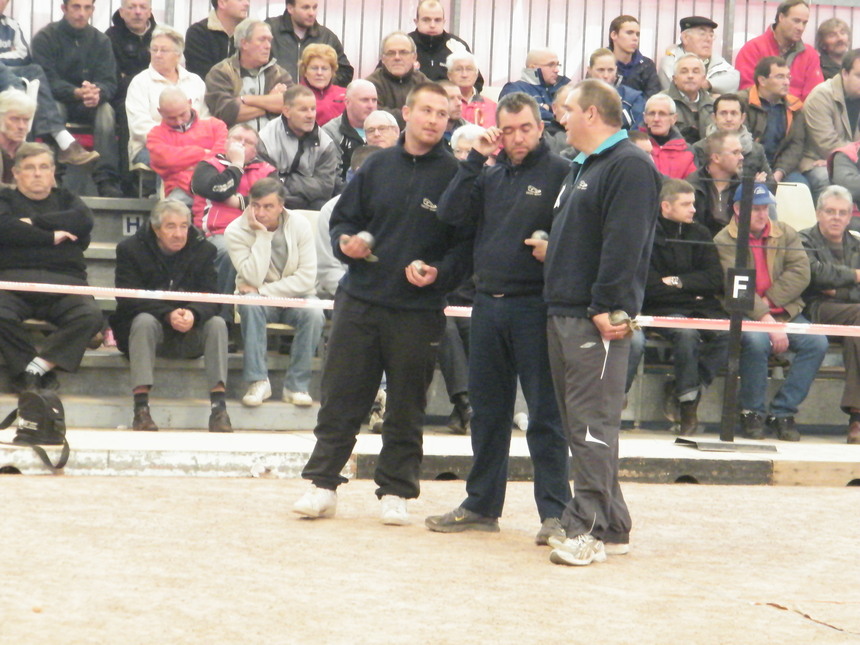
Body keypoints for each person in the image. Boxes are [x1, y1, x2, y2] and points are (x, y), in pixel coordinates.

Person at [292, 83, 471, 525]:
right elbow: (344, 220)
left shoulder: (455, 177)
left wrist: (438, 274)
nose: (433, 120)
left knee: (408, 404)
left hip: (418, 310)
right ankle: (322, 484)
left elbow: (465, 249)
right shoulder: (376, 168)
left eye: (442, 114)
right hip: (360, 301)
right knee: (341, 397)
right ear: (406, 113)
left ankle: (396, 491)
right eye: (425, 110)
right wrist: (344, 243)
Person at [425, 91, 572, 542]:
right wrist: (474, 161)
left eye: (525, 128)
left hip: (536, 306)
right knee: (488, 412)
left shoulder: (562, 172)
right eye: (507, 130)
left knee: (545, 415)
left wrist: (555, 248)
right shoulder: (491, 174)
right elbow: (450, 215)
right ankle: (481, 504)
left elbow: (579, 235)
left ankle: (555, 513)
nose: (517, 137)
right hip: (487, 305)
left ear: (540, 126)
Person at [543, 79, 661, 566]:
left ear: (591, 113)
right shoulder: (583, 166)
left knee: (592, 427)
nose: (561, 117)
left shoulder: (629, 166)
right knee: (581, 427)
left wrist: (606, 304)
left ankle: (587, 531)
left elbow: (624, 243)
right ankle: (611, 525)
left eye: (567, 109)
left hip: (596, 319)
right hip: (566, 312)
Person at [714, 183, 828, 441]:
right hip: (745, 313)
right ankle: (751, 412)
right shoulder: (724, 240)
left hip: (785, 310)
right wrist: (764, 316)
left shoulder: (785, 232)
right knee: (756, 342)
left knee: (817, 343)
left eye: (766, 208)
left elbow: (801, 272)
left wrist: (772, 302)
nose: (762, 214)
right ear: (737, 210)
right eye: (755, 209)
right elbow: (734, 285)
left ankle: (783, 412)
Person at [111, 199, 232, 433]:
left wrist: (194, 314)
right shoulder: (130, 249)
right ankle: (141, 409)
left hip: (189, 331)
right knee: (144, 321)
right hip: (146, 334)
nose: (179, 234)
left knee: (217, 324)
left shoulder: (204, 250)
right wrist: (168, 315)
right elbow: (127, 299)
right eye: (171, 227)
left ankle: (219, 409)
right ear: (156, 229)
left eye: (184, 226)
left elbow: (213, 297)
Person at [627, 178, 728, 435]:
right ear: (666, 207)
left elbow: (715, 279)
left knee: (730, 335)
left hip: (702, 308)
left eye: (693, 203)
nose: (693, 209)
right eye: (685, 204)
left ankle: (686, 390)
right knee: (686, 334)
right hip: (662, 310)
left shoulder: (701, 233)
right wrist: (691, 290)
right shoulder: (646, 235)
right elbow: (649, 287)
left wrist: (678, 281)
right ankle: (688, 406)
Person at [0, 143, 103, 393]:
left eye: (44, 167)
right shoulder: (5, 200)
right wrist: (51, 237)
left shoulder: (67, 199)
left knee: (90, 316)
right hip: (14, 284)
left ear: (53, 171)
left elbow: (83, 221)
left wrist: (32, 224)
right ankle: (32, 375)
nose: (37, 173)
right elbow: (4, 228)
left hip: (65, 284)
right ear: (16, 173)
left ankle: (34, 369)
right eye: (30, 168)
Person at [226, 177, 325, 408]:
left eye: (268, 206)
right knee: (250, 303)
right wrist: (262, 235)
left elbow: (307, 278)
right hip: (259, 303)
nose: (260, 213)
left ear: (281, 206)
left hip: (294, 298)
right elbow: (250, 277)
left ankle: (296, 386)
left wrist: (262, 291)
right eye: (255, 205)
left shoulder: (300, 225)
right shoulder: (235, 231)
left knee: (315, 311)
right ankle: (258, 381)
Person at [31, 0, 124, 197]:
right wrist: (75, 92)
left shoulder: (101, 41)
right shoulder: (45, 38)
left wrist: (97, 92)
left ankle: (106, 179)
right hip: (58, 100)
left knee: (106, 111)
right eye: (76, 7)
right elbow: (45, 79)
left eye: (87, 7)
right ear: (63, 8)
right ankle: (54, 174)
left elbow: (109, 81)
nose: (81, 13)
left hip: (90, 102)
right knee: (55, 109)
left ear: (93, 10)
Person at [0, 0, 99, 169]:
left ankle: (55, 141)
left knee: (35, 71)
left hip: (6, 75)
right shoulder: (47, 36)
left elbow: (23, 56)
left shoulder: (11, 25)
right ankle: (63, 141)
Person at [799, 185, 860, 444]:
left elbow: (828, 279)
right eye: (830, 211)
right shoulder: (803, 240)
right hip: (816, 308)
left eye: (842, 212)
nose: (836, 217)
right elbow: (813, 276)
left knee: (857, 331)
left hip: (851, 311)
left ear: (850, 216)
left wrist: (839, 290)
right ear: (818, 213)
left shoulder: (857, 244)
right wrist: (855, 277)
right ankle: (857, 418)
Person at [191, 123, 277, 299]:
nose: (241, 144)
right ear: (226, 143)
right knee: (231, 252)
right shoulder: (208, 166)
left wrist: (238, 202)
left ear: (256, 150)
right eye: (237, 139)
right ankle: (223, 315)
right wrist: (237, 165)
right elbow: (218, 189)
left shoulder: (267, 171)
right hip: (217, 235)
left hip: (258, 235)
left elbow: (275, 204)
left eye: (249, 142)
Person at [125, 26, 209, 166]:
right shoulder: (140, 82)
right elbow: (140, 127)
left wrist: (191, 142)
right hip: (150, 148)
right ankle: (169, 189)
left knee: (213, 160)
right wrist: (176, 141)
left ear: (178, 55)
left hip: (193, 145)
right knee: (173, 160)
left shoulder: (195, 81)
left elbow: (206, 119)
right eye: (154, 49)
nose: (157, 54)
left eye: (163, 50)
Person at [258, 85, 338, 209]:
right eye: (303, 110)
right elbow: (265, 186)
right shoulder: (265, 140)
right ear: (286, 111)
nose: (310, 115)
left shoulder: (325, 143)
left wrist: (286, 179)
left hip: (311, 205)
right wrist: (304, 183)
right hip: (274, 205)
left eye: (313, 109)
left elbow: (325, 187)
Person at [204, 19, 293, 131]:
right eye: (262, 40)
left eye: (269, 41)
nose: (268, 46)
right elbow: (226, 114)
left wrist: (246, 99)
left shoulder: (279, 74)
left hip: (272, 144)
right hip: (236, 143)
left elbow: (291, 107)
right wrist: (270, 101)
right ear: (244, 43)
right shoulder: (221, 72)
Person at [147, 87, 227, 206]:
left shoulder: (216, 126)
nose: (179, 121)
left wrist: (184, 166)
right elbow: (165, 160)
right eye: (171, 117)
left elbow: (223, 156)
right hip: (180, 192)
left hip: (217, 188)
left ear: (190, 103)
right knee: (168, 213)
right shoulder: (155, 135)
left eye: (182, 114)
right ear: (160, 112)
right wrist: (203, 153)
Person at [800, 49, 860, 202]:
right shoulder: (821, 96)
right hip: (816, 162)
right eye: (859, 76)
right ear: (844, 73)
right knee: (827, 178)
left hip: (850, 163)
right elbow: (827, 144)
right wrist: (839, 161)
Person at [734, 0, 823, 101]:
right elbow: (748, 90)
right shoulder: (753, 48)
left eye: (804, 23)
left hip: (799, 114)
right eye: (796, 21)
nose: (801, 28)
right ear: (781, 17)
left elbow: (815, 95)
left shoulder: (810, 54)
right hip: (760, 112)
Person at [737, 56, 805, 184]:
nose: (787, 82)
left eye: (788, 77)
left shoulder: (794, 106)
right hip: (747, 166)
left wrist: (778, 173)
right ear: (762, 80)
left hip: (781, 169)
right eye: (780, 77)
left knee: (800, 187)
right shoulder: (741, 102)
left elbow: (796, 146)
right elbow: (743, 143)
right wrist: (763, 174)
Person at [267, 0, 353, 88]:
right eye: (306, 7)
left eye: (314, 7)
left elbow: (345, 72)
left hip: (314, 100)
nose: (312, 13)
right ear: (290, 8)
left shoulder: (327, 37)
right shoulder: (269, 31)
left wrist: (321, 86)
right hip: (277, 98)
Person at [692, 93, 773, 183]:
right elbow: (696, 185)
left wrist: (758, 187)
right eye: (723, 113)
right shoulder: (700, 148)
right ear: (714, 117)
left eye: (734, 113)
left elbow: (772, 184)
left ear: (742, 118)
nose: (729, 118)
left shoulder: (756, 150)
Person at [659, 16, 739, 95]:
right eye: (702, 34)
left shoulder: (719, 62)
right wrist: (713, 97)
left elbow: (734, 80)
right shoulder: (670, 62)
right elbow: (678, 92)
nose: (708, 39)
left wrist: (708, 84)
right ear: (685, 38)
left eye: (711, 35)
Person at [365, 32, 430, 129]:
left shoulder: (424, 83)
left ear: (414, 57)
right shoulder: (370, 85)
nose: (397, 57)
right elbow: (373, 115)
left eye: (403, 52)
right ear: (383, 58)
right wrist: (415, 115)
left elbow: (433, 112)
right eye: (391, 53)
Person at [408, 0, 479, 89]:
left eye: (437, 20)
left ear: (444, 22)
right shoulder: (404, 45)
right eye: (426, 20)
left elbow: (476, 81)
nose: (432, 25)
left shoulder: (457, 46)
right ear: (416, 22)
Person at [687, 131, 743, 237]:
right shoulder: (692, 186)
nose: (741, 157)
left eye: (741, 152)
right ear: (716, 158)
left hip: (735, 247)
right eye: (735, 152)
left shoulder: (746, 187)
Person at [322, 79, 377, 182]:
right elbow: (333, 179)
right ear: (347, 102)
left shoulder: (387, 127)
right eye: (364, 100)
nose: (371, 106)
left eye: (374, 100)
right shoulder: (330, 132)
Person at [499, 48, 570, 125]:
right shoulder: (513, 89)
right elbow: (522, 116)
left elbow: (573, 113)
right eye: (551, 65)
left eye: (557, 65)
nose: (557, 70)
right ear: (533, 68)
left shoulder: (562, 89)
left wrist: (547, 107)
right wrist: (554, 111)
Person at [105, 0, 155, 109]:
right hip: (124, 98)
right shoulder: (109, 38)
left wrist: (127, 76)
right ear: (121, 12)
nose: (137, 12)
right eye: (131, 7)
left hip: (158, 95)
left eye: (142, 7)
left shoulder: (161, 36)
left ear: (149, 12)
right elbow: (114, 81)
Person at [185, 0, 249, 80]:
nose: (247, 3)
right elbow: (202, 73)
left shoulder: (249, 34)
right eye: (240, 0)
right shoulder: (198, 33)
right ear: (222, 3)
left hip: (246, 90)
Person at [586, 48, 644, 130]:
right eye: (600, 70)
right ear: (589, 70)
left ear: (616, 70)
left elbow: (638, 132)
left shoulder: (632, 99)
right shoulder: (578, 98)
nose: (606, 75)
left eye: (610, 70)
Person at [643, 92, 696, 178]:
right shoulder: (634, 146)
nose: (656, 119)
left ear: (674, 118)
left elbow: (692, 185)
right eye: (652, 113)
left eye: (662, 114)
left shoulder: (687, 151)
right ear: (645, 118)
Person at [608, 15, 661, 99]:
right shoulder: (600, 63)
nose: (635, 38)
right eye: (629, 33)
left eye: (637, 34)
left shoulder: (647, 65)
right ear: (614, 35)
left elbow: (652, 101)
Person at [666, 54, 714, 145]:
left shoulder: (713, 105)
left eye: (695, 72)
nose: (690, 76)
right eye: (684, 72)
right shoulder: (662, 102)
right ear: (674, 79)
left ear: (703, 78)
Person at [299, 44, 345, 126]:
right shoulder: (295, 95)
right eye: (314, 68)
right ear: (305, 71)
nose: (319, 73)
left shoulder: (345, 94)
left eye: (324, 68)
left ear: (332, 72)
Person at [447, 51, 495, 128]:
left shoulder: (492, 106)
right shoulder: (441, 104)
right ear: (449, 75)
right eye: (458, 69)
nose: (464, 75)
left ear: (476, 74)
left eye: (469, 69)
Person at [0, 89, 34, 185]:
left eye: (26, 120)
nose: (22, 126)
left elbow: (50, 192)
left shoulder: (33, 153)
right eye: (15, 119)